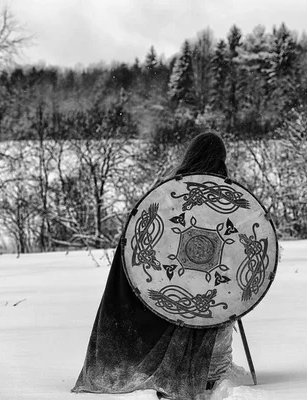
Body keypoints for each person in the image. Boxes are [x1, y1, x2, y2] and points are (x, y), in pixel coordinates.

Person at [72, 132, 235, 399]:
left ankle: (206, 371)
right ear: (221, 158)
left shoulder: (170, 188)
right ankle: (208, 373)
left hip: (187, 280)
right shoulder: (207, 194)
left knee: (209, 308)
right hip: (179, 280)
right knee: (214, 311)